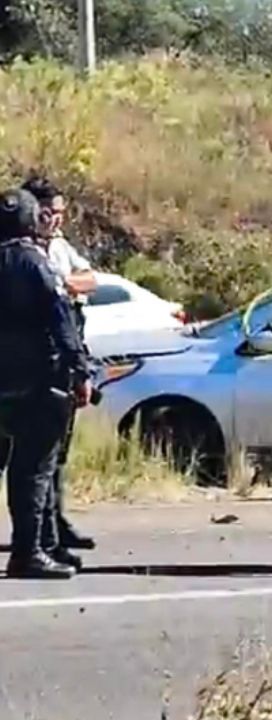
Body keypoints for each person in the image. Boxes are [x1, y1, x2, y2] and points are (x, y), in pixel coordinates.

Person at [0, 188, 91, 579]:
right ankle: (29, 551)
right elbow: (62, 322)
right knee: (34, 469)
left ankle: (45, 544)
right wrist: (82, 371)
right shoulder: (35, 264)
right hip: (38, 380)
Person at [20, 177, 98, 551]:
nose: (55, 221)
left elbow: (89, 280)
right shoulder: (23, 255)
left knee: (52, 455)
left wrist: (65, 283)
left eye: (60, 214)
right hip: (33, 365)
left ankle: (51, 530)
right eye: (49, 213)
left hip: (60, 361)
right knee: (31, 461)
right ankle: (36, 541)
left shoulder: (59, 249)